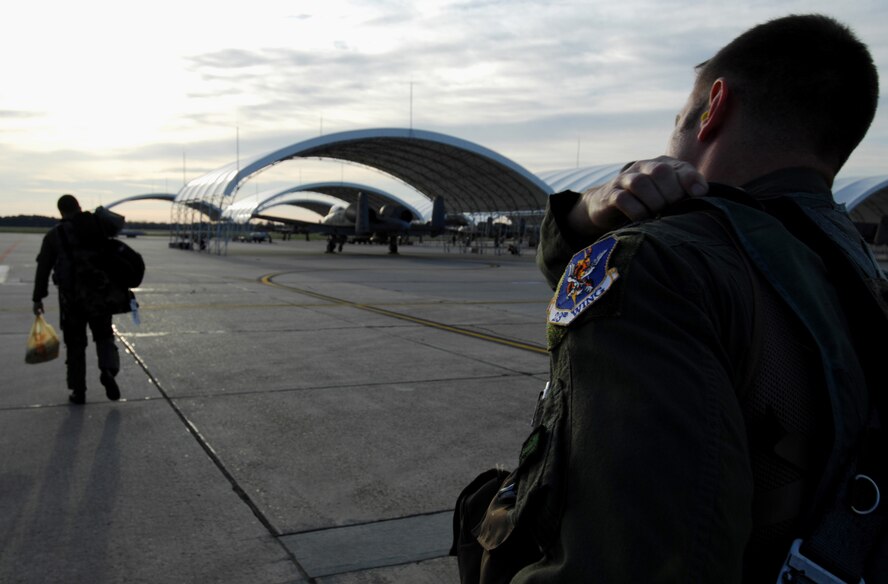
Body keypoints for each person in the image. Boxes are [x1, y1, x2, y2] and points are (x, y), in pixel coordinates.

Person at [453, 14, 886, 583]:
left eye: (678, 119)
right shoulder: (854, 269)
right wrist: (585, 213)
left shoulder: (661, 264)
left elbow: (628, 559)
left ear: (714, 107)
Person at [32, 194, 121, 405]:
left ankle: (78, 390)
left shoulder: (55, 235)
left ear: (61, 211)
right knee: (104, 337)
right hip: (100, 295)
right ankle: (108, 371)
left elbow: (43, 268)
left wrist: (38, 298)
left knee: (75, 345)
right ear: (79, 207)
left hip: (71, 299)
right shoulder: (97, 227)